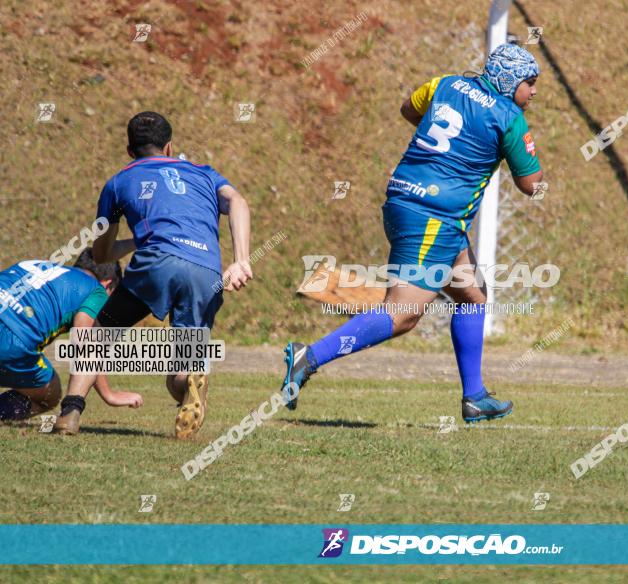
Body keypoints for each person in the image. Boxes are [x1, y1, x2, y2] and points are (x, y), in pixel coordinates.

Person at [282, 44, 543, 422]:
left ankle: (475, 397)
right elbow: (530, 185)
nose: (533, 92)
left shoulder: (446, 83)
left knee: (472, 294)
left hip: (408, 202)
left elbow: (409, 108)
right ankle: (311, 356)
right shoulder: (509, 117)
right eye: (530, 83)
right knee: (402, 314)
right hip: (433, 219)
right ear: (510, 80)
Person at [55, 111, 252, 437]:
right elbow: (238, 201)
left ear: (129, 151)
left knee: (99, 334)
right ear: (170, 147)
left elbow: (102, 253)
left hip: (157, 262)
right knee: (184, 363)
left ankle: (70, 412)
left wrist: (137, 240)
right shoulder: (204, 173)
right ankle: (191, 381)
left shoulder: (118, 182)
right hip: (206, 270)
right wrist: (242, 260)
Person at [0, 249, 142, 423]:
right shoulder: (96, 291)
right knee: (51, 393)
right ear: (108, 284)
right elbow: (85, 343)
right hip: (11, 341)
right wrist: (109, 395)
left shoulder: (39, 264)